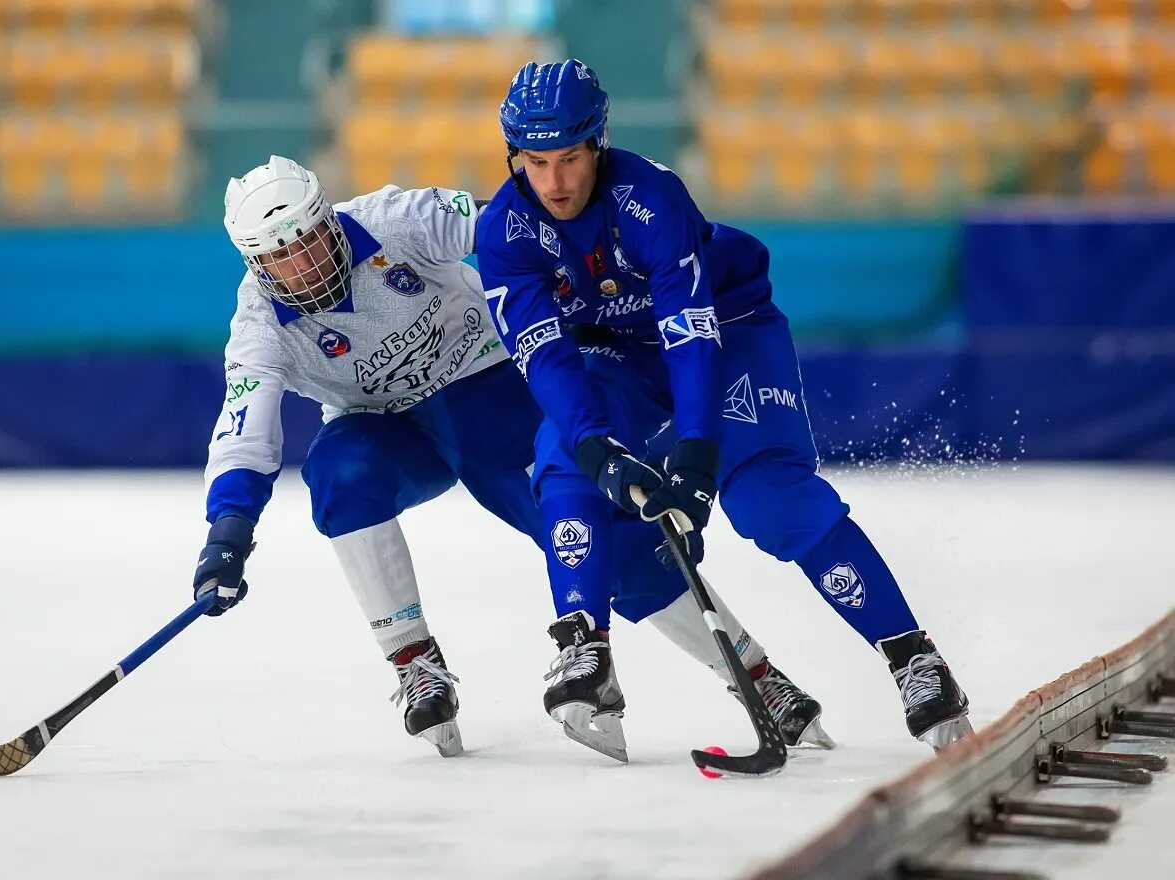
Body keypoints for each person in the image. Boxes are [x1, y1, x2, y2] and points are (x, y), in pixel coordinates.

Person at [193, 155, 832, 763]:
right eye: (279, 258)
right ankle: (414, 662)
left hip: (495, 388)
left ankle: (757, 678)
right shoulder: (258, 324)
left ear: (328, 217)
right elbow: (245, 430)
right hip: (392, 432)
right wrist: (227, 532)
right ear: (253, 264)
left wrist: (591, 287)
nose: (303, 266)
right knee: (338, 473)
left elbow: (508, 222)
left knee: (614, 543)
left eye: (308, 240)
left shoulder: (393, 218)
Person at [475, 60, 972, 751]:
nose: (555, 183)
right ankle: (585, 646)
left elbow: (690, 332)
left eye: (569, 159)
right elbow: (546, 357)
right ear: (515, 157)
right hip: (617, 350)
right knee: (564, 454)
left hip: (728, 331)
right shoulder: (502, 232)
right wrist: (600, 450)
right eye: (536, 163)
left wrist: (699, 452)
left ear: (597, 145)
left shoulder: (650, 199)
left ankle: (915, 659)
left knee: (767, 498)